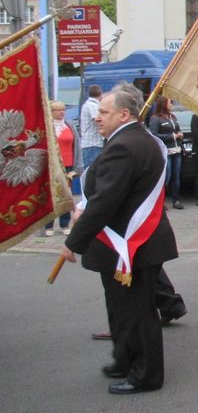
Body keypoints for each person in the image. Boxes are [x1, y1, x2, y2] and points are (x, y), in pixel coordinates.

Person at [62, 82, 179, 394]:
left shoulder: (125, 145)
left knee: (137, 313)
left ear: (124, 114)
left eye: (104, 112)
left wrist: (74, 240)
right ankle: (124, 359)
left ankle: (146, 375)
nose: (97, 117)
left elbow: (106, 199)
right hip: (128, 242)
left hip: (131, 243)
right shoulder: (138, 139)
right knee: (121, 308)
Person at [43, 100, 82, 236]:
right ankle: (48, 225)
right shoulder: (47, 127)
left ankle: (65, 224)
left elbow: (76, 146)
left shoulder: (69, 125)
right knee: (51, 195)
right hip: (52, 165)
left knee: (66, 194)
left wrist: (77, 166)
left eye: (63, 110)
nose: (61, 112)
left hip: (68, 165)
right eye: (57, 110)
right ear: (51, 112)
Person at [148, 96, 184, 209]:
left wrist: (180, 134)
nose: (172, 104)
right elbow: (154, 135)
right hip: (165, 151)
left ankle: (176, 200)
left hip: (176, 150)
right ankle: (160, 201)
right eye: (170, 102)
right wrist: (172, 136)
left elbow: (176, 129)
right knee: (166, 177)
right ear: (163, 104)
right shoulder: (155, 118)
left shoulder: (172, 117)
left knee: (176, 176)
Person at [80, 84, 104, 168]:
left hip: (93, 144)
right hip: (92, 144)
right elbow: (98, 119)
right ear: (101, 94)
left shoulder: (89, 104)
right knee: (93, 171)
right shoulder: (92, 105)